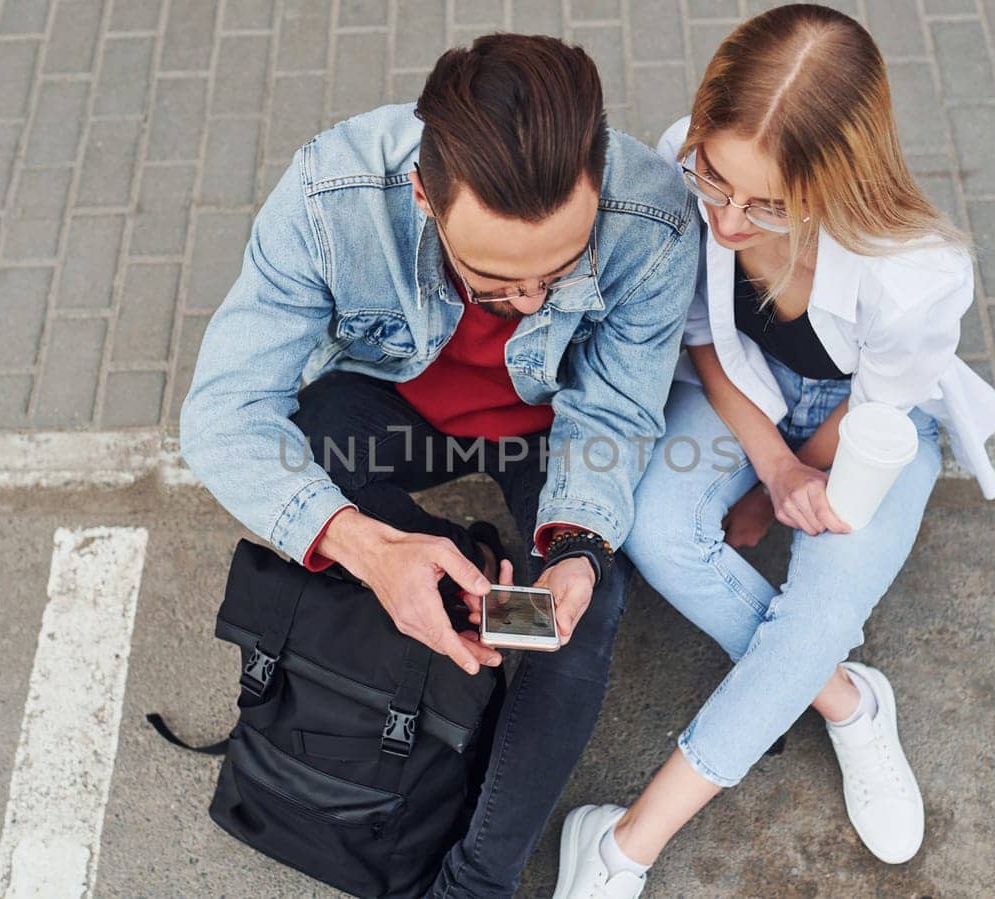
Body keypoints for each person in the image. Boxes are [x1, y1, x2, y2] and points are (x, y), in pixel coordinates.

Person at [179, 34, 698, 898]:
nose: (532, 302)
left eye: (559, 271)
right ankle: (437, 554)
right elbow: (223, 411)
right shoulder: (328, 193)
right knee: (307, 447)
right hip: (395, 412)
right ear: (424, 196)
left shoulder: (653, 218)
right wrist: (366, 547)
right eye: (496, 281)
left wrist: (575, 542)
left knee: (592, 602)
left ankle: (474, 883)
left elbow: (610, 410)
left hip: (548, 437)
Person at [552, 6, 995, 896]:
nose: (728, 220)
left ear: (840, 179)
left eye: (769, 204)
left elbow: (882, 408)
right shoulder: (693, 156)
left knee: (820, 605)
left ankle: (622, 846)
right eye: (717, 181)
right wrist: (770, 467)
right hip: (747, 387)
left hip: (873, 427)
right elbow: (702, 336)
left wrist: (802, 475)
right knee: (653, 526)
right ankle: (844, 694)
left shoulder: (917, 272)